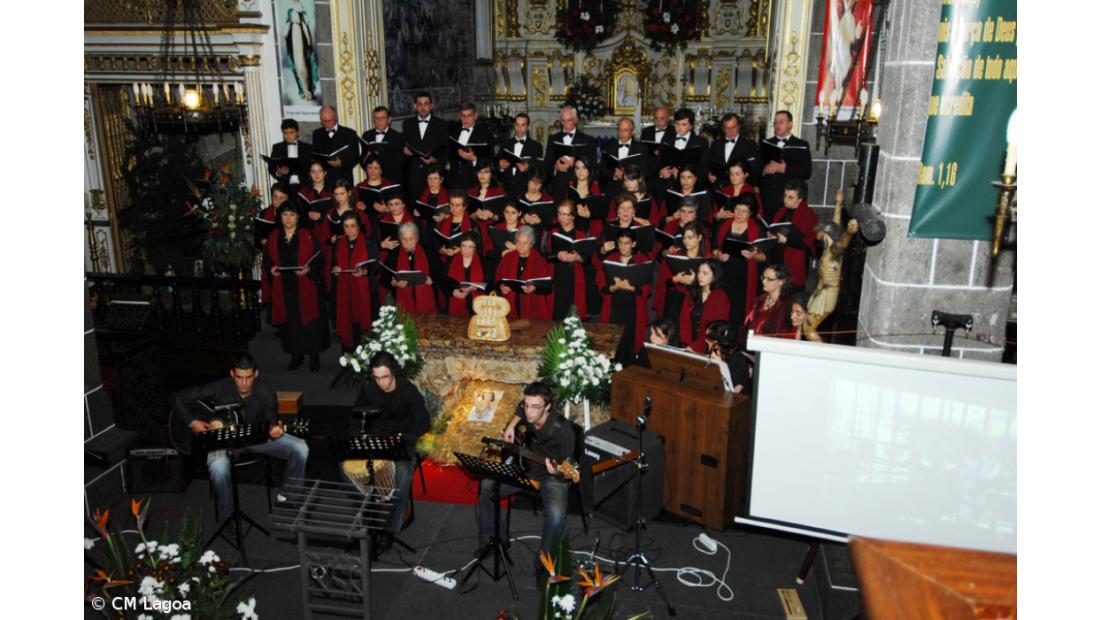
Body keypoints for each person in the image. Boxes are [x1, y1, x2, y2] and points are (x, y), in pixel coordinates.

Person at [170, 353, 309, 517]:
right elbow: (176, 398)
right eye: (239, 377)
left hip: (254, 439)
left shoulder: (266, 394)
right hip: (222, 441)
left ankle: (289, 495)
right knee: (218, 467)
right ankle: (230, 515)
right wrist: (193, 423)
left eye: (248, 377)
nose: (243, 383)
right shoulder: (219, 387)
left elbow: (271, 425)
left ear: (256, 374)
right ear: (231, 374)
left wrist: (275, 432)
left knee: (301, 447)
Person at [478, 381, 575, 556]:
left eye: (536, 407)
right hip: (527, 467)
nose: (529, 412)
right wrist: (511, 425)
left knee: (556, 516)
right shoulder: (528, 409)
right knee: (486, 486)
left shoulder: (563, 431)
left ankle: (545, 561)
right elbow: (520, 409)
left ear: (548, 407)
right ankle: (495, 540)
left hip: (554, 475)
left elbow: (569, 469)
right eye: (527, 405)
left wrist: (558, 471)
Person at [353, 352, 431, 552]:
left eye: (385, 377)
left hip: (401, 442)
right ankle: (365, 521)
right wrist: (360, 437)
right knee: (346, 469)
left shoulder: (408, 391)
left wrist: (406, 438)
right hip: (376, 440)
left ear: (393, 372)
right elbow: (357, 416)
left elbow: (424, 422)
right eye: (377, 377)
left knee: (403, 475)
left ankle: (390, 529)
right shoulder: (369, 389)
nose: (381, 382)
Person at [264, 203, 329, 371]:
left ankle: (314, 357)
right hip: (284, 288)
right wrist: (271, 268)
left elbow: (319, 258)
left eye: (292, 214)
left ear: (298, 217)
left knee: (310, 326)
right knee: (291, 325)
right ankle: (296, 356)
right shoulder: (273, 236)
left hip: (306, 285)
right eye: (285, 214)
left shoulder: (306, 234)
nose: (288, 218)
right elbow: (268, 260)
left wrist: (308, 269)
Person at [596, 228, 653, 362]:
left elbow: (647, 287)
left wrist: (631, 287)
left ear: (633, 244)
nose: (623, 246)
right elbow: (601, 286)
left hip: (633, 308)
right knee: (612, 342)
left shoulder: (642, 260)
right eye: (620, 243)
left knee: (631, 342)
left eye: (626, 243)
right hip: (614, 307)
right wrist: (613, 287)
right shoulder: (610, 259)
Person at [715, 193, 768, 328]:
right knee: (721, 308)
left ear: (751, 213)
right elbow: (713, 248)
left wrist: (753, 256)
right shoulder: (724, 224)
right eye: (737, 210)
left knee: (739, 311)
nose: (739, 214)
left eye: (743, 211)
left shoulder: (758, 229)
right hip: (723, 274)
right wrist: (719, 254)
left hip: (744, 277)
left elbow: (764, 257)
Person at [331, 211, 378, 351]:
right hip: (344, 291)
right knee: (347, 325)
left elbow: (376, 268)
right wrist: (335, 270)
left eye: (353, 226)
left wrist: (364, 272)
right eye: (346, 226)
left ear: (359, 226)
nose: (349, 230)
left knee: (363, 330)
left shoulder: (369, 242)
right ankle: (347, 359)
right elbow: (334, 264)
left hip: (364, 293)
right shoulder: (339, 243)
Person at [758, 110, 812, 221]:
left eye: (781, 122)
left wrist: (784, 169)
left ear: (790, 124)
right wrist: (764, 170)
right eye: (775, 123)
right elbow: (756, 168)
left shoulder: (801, 145)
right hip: (768, 197)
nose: (777, 125)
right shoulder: (766, 143)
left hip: (789, 197)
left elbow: (807, 172)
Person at [767, 179, 820, 290]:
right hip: (777, 262)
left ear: (800, 199)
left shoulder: (808, 215)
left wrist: (786, 240)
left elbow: (807, 243)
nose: (785, 200)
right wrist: (771, 235)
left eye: (790, 197)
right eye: (785, 195)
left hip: (794, 264)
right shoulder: (781, 211)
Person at [654, 220, 709, 325]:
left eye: (690, 237)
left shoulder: (707, 258)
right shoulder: (676, 255)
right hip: (675, 300)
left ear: (700, 238)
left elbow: (714, 286)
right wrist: (675, 279)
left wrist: (695, 281)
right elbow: (665, 282)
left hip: (696, 301)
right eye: (684, 237)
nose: (686, 241)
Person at [547, 200, 591, 321]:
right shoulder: (552, 231)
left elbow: (587, 259)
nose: (561, 217)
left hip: (574, 274)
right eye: (559, 213)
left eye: (565, 214)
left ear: (572, 216)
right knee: (557, 309)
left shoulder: (581, 231)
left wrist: (578, 257)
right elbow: (544, 254)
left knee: (574, 309)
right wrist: (558, 255)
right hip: (556, 273)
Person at [495, 225, 552, 320]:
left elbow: (548, 287)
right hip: (510, 306)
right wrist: (501, 286)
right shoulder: (508, 257)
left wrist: (534, 288)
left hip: (532, 306)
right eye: (518, 242)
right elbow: (498, 279)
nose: (520, 246)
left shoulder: (540, 261)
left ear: (532, 244)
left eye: (525, 243)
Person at [380, 221, 437, 314]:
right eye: (404, 239)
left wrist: (432, 279)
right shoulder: (394, 253)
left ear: (417, 238)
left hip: (425, 297)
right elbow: (384, 278)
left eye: (411, 239)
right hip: (402, 299)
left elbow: (438, 271)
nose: (408, 242)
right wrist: (394, 283)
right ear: (400, 239)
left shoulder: (427, 250)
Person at [402, 91, 449, 201]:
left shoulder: (442, 124)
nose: (423, 107)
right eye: (420, 104)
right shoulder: (407, 124)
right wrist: (404, 150)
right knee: (416, 208)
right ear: (415, 106)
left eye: (426, 104)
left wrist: (435, 160)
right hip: (414, 175)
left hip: (433, 175)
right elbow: (404, 145)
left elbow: (446, 151)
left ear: (431, 106)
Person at [678, 258, 731, 353]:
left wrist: (694, 347)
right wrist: (686, 345)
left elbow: (715, 330)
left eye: (705, 273)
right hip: (688, 346)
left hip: (709, 348)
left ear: (715, 276)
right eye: (699, 272)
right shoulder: (692, 293)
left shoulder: (720, 297)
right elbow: (683, 322)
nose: (700, 276)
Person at [545, 105, 598, 198]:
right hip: (558, 186)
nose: (566, 125)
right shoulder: (553, 139)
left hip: (579, 186)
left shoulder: (588, 140)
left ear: (576, 120)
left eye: (569, 121)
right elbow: (546, 164)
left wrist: (575, 163)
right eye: (563, 121)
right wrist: (555, 167)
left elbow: (593, 165)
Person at [657, 108, 710, 197]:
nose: (679, 127)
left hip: (692, 187)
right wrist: (661, 173)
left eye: (684, 124)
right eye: (677, 124)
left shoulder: (701, 142)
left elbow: (704, 168)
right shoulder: (666, 139)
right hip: (668, 184)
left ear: (691, 126)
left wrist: (685, 176)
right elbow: (658, 162)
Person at [449, 102, 494, 191]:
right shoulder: (453, 131)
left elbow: (490, 158)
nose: (466, 119)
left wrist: (474, 159)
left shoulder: (485, 133)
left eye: (469, 115)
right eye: (463, 116)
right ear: (460, 116)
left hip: (474, 181)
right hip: (453, 180)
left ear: (475, 116)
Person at [742, 263, 794, 342]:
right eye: (763, 278)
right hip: (750, 345)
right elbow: (747, 325)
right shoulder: (759, 300)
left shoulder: (786, 306)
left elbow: (783, 336)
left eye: (769, 279)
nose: (763, 282)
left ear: (781, 282)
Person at [496, 112, 544, 198]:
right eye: (517, 125)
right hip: (506, 189)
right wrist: (501, 167)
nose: (519, 128)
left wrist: (527, 169)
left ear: (528, 126)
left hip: (526, 189)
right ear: (514, 125)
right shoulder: (505, 144)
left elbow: (539, 172)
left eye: (523, 125)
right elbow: (497, 167)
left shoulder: (536, 146)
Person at [312, 105, 360, 187]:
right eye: (324, 121)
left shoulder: (349, 133)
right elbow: (315, 155)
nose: (327, 123)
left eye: (330, 120)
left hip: (343, 178)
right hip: (324, 180)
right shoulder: (317, 134)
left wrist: (341, 162)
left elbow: (355, 157)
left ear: (336, 117)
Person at [599, 117, 650, 194]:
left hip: (633, 191)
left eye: (625, 130)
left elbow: (645, 171)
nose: (622, 133)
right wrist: (614, 176)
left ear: (632, 131)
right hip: (612, 190)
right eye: (620, 130)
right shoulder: (608, 147)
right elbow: (602, 170)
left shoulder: (641, 149)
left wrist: (626, 176)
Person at [441, 232, 487, 317]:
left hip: (478, 306)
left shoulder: (483, 260)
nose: (466, 249)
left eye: (470, 247)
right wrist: (453, 292)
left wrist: (475, 287)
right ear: (459, 246)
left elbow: (490, 283)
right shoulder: (451, 259)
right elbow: (443, 282)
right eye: (463, 245)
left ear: (475, 248)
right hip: (456, 303)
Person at [706, 113, 760, 187]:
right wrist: (709, 174)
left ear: (738, 127)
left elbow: (753, 171)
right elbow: (709, 164)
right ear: (723, 128)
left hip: (740, 190)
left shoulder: (749, 145)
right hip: (719, 187)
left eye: (733, 127)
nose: (730, 131)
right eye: (727, 128)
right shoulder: (715, 145)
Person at [360, 105, 407, 184]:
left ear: (389, 119)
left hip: (391, 180)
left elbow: (400, 163)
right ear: (373, 120)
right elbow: (362, 160)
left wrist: (380, 156)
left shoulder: (398, 137)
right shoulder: (367, 135)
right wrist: (365, 158)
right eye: (376, 118)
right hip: (372, 181)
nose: (379, 121)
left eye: (382, 118)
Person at [355, 154, 401, 228]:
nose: (372, 171)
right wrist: (358, 207)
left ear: (381, 170)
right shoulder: (359, 186)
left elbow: (401, 209)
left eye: (376, 168)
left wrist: (387, 209)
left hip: (385, 222)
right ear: (366, 169)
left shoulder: (390, 186)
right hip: (365, 223)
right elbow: (354, 207)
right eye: (370, 168)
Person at [704, 321, 750, 393]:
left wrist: (721, 363)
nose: (706, 341)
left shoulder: (739, 357)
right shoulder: (715, 352)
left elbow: (732, 385)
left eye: (709, 338)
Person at [268, 118, 312, 192]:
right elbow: (271, 167)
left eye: (291, 132)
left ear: (297, 133)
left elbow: (311, 167)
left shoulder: (307, 148)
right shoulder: (277, 148)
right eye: (285, 133)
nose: (288, 136)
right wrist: (279, 172)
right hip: (285, 187)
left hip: (305, 186)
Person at [714, 160, 763, 224]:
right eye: (731, 174)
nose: (733, 177)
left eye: (737, 174)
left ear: (746, 175)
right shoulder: (723, 191)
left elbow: (758, 217)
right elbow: (713, 215)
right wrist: (718, 215)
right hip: (724, 226)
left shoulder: (751, 192)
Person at [569, 156, 604, 237]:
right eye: (577, 168)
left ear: (589, 169)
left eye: (584, 168)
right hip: (571, 225)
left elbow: (600, 211)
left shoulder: (596, 186)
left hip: (589, 227)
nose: (580, 171)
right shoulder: (569, 185)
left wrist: (589, 214)